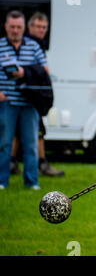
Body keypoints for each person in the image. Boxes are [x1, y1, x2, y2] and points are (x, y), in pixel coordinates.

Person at [9, 12, 65, 177]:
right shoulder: (26, 43)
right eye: (38, 27)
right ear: (30, 27)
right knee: (30, 132)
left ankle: (24, 164)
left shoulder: (38, 44)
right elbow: (42, 70)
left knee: (35, 131)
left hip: (34, 97)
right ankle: (37, 164)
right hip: (21, 96)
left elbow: (43, 71)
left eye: (44, 27)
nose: (41, 30)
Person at [0, 10, 48, 190]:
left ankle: (32, 181)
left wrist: (25, 73)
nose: (15, 30)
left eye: (18, 27)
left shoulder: (33, 46)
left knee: (31, 145)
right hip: (7, 102)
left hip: (30, 103)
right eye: (12, 27)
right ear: (6, 27)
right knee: (4, 143)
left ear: (24, 28)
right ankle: (1, 181)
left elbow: (45, 72)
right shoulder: (0, 46)